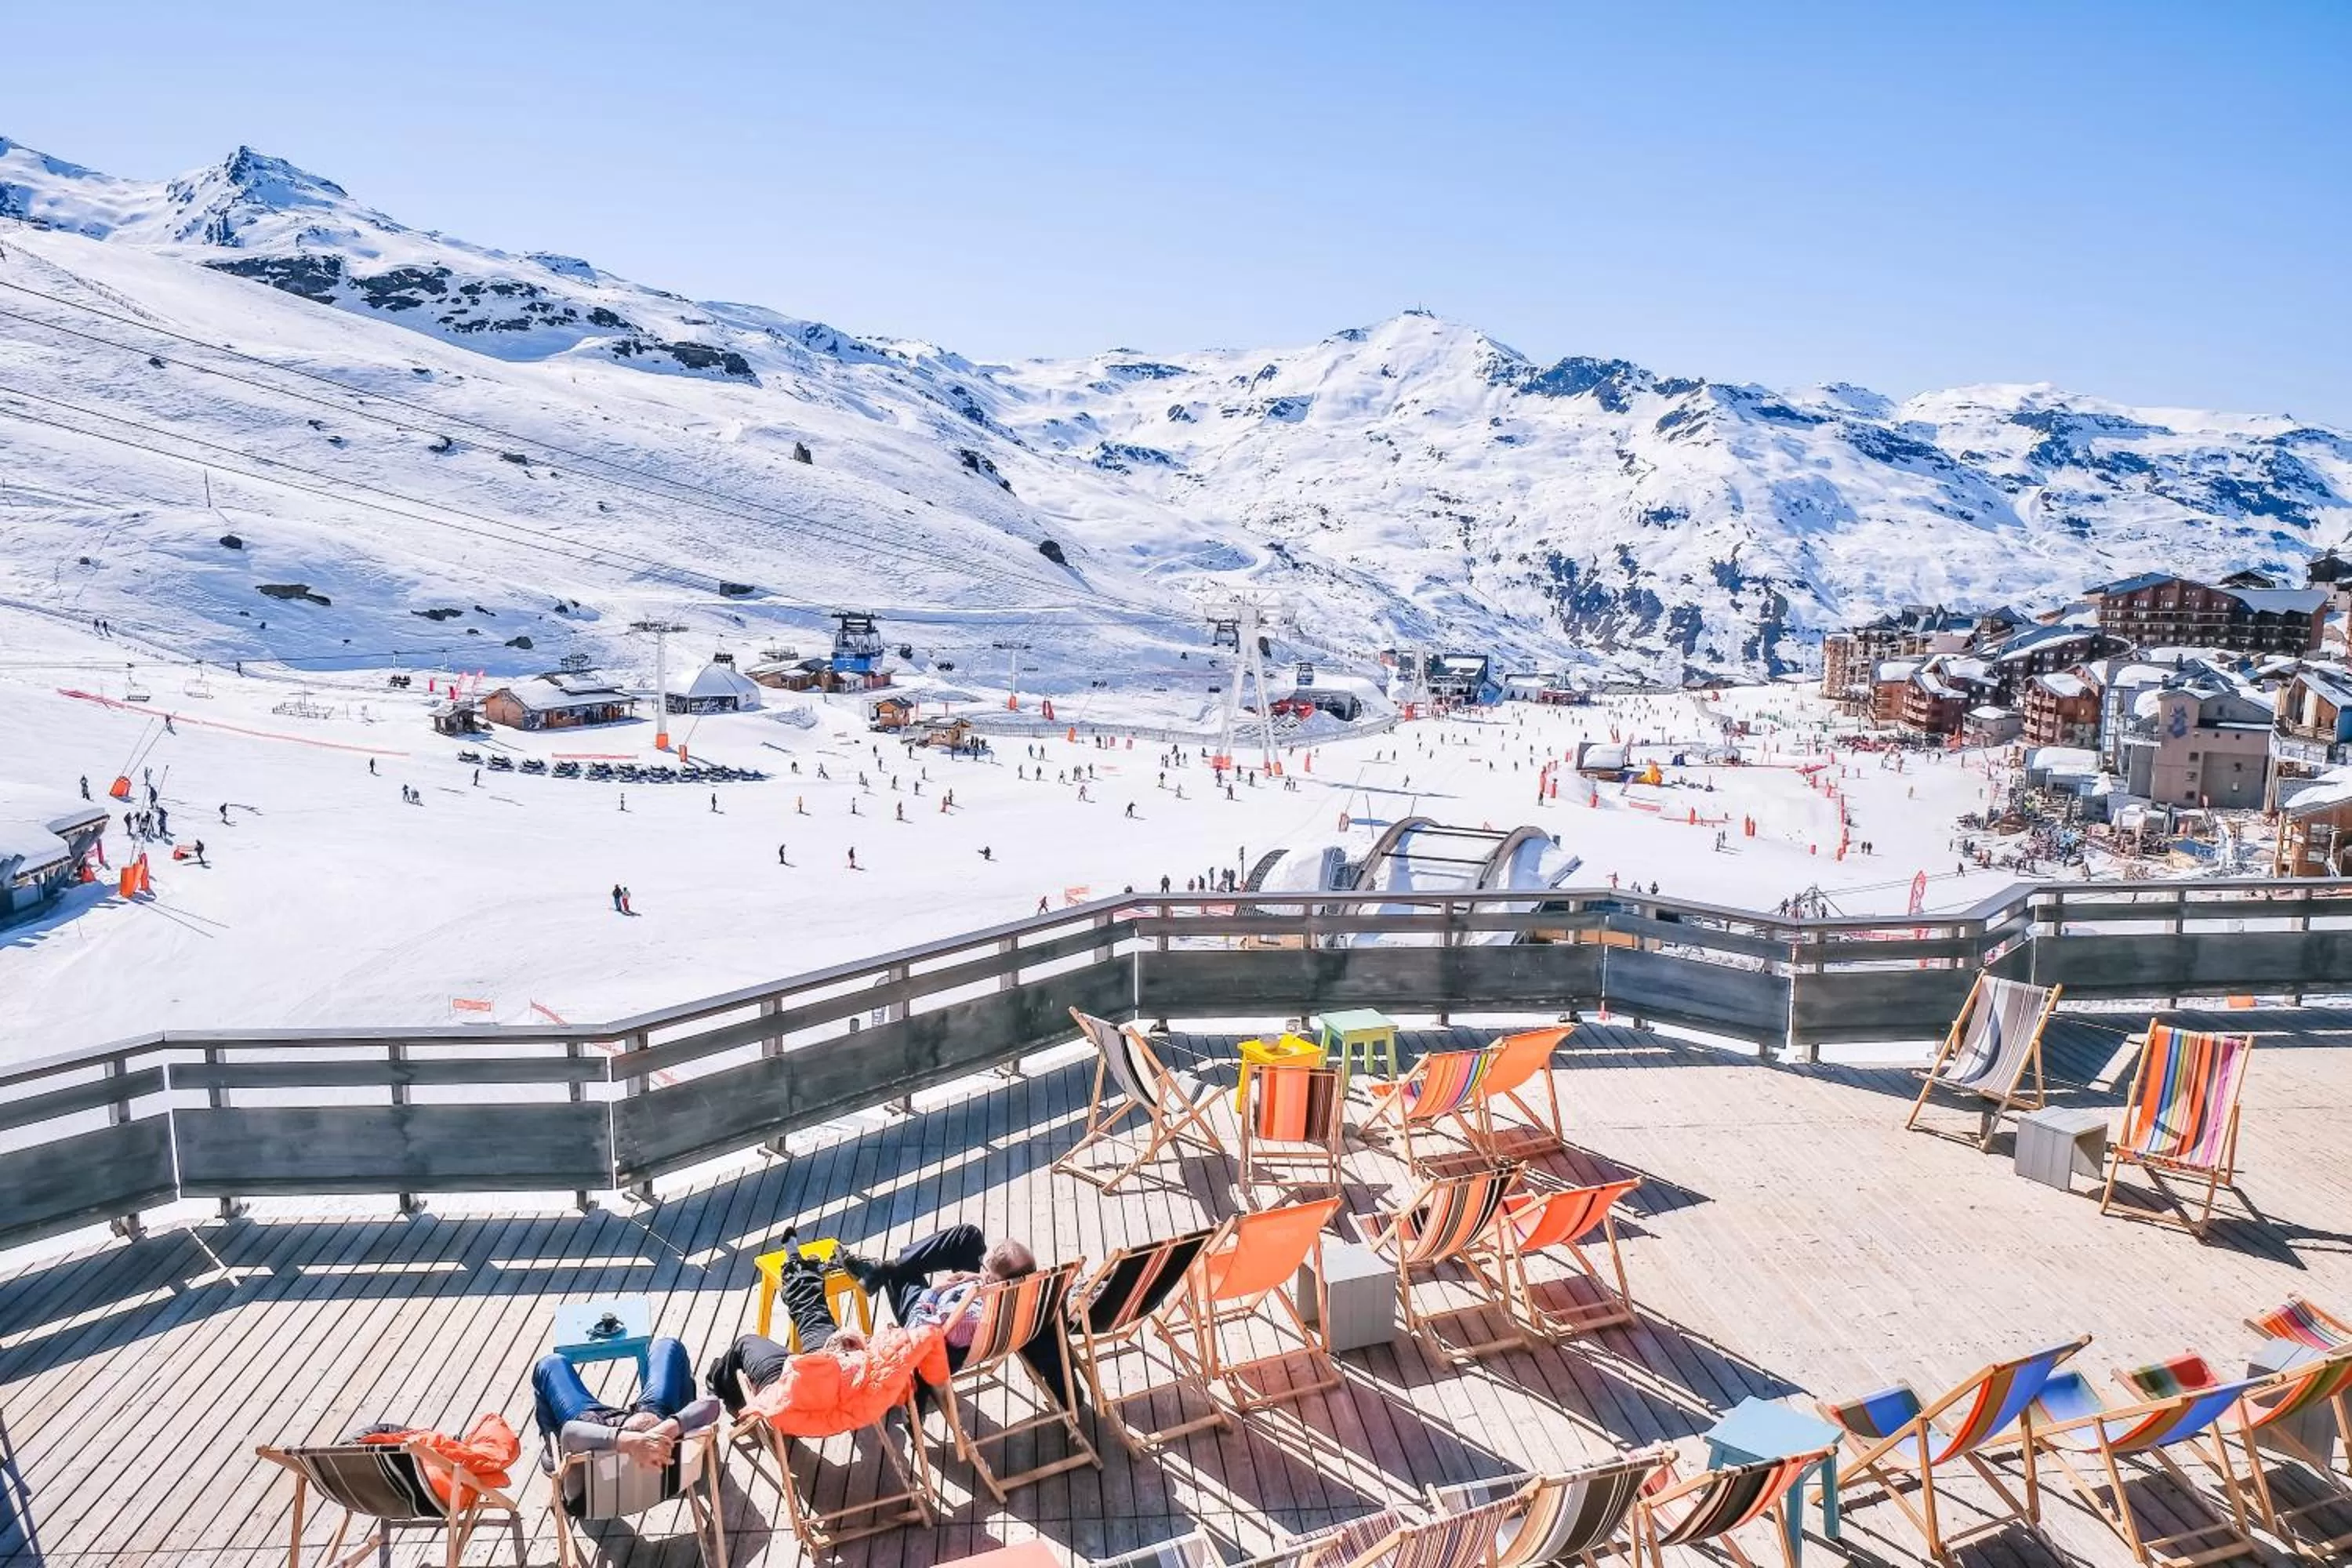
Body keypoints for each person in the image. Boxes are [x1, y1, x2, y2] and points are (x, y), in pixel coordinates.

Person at [707, 1225, 1061, 1414]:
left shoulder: (973, 1303)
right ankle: (875, 1268)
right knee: (967, 1236)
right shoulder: (1036, 1296)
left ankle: (881, 1270)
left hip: (936, 1337)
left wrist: (939, 1290)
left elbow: (928, 1327)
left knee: (898, 1278)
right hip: (991, 1328)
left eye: (984, 1270)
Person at [531, 1334, 720, 1512]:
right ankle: (690, 1451)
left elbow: (571, 1432)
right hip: (668, 1473)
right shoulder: (660, 1439)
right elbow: (711, 1405)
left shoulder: (581, 1445)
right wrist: (665, 1429)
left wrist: (632, 1442)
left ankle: (552, 1452)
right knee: (668, 1346)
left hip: (592, 1498)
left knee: (550, 1365)